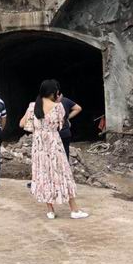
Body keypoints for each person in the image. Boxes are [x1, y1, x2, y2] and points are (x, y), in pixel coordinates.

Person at [20, 80, 88, 220]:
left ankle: (50, 210)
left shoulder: (33, 106)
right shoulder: (58, 107)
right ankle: (74, 209)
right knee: (63, 173)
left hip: (39, 147)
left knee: (44, 175)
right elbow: (60, 125)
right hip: (54, 144)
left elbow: (22, 124)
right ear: (54, 93)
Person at [55, 85, 82, 161]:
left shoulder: (46, 103)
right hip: (65, 133)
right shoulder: (65, 100)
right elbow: (78, 108)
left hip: (53, 134)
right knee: (65, 156)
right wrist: (67, 118)